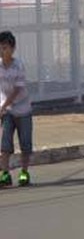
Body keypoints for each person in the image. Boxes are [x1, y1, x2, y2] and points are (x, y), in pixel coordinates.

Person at [0, 31, 33, 187]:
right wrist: (3, 107)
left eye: (5, 48)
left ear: (12, 49)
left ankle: (24, 173)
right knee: (5, 144)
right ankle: (5, 174)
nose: (2, 51)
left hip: (23, 109)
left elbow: (17, 90)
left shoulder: (18, 65)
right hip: (7, 111)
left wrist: (4, 105)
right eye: (0, 48)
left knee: (25, 144)